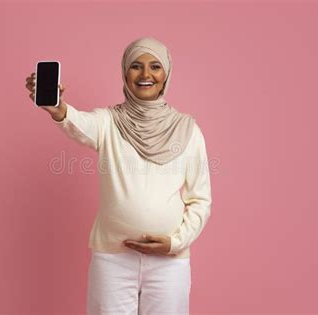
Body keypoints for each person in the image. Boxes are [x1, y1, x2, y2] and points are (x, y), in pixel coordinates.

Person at [25, 36, 212, 315]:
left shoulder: (188, 130)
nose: (146, 74)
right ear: (125, 72)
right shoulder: (109, 122)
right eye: (136, 66)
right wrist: (58, 108)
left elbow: (201, 200)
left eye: (155, 67)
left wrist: (175, 242)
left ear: (166, 74)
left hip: (169, 263)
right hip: (113, 260)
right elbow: (79, 123)